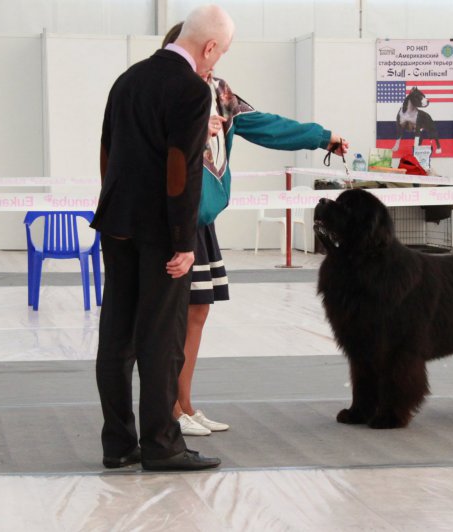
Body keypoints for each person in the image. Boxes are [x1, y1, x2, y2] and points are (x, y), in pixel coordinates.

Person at [161, 22, 349, 437]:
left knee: (197, 312)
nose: (213, 61)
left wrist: (321, 137)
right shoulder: (169, 90)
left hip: (202, 221)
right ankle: (169, 408)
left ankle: (185, 404)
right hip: (175, 219)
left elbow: (265, 125)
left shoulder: (219, 92)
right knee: (174, 318)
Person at [91, 5, 235, 471]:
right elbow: (181, 169)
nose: (217, 61)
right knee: (161, 338)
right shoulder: (191, 89)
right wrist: (183, 241)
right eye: (220, 52)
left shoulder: (127, 79)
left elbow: (107, 151)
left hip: (116, 223)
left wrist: (115, 207)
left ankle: (118, 444)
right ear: (209, 47)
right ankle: (161, 444)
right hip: (160, 233)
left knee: (117, 336)